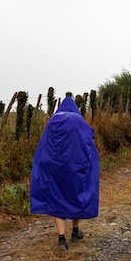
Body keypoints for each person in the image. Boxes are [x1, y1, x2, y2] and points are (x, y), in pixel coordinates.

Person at [30, 93, 100, 250]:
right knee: (76, 195)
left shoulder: (53, 122)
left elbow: (43, 149)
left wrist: (43, 167)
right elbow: (90, 148)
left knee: (57, 198)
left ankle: (61, 238)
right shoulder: (79, 123)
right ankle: (75, 231)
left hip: (54, 168)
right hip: (76, 167)